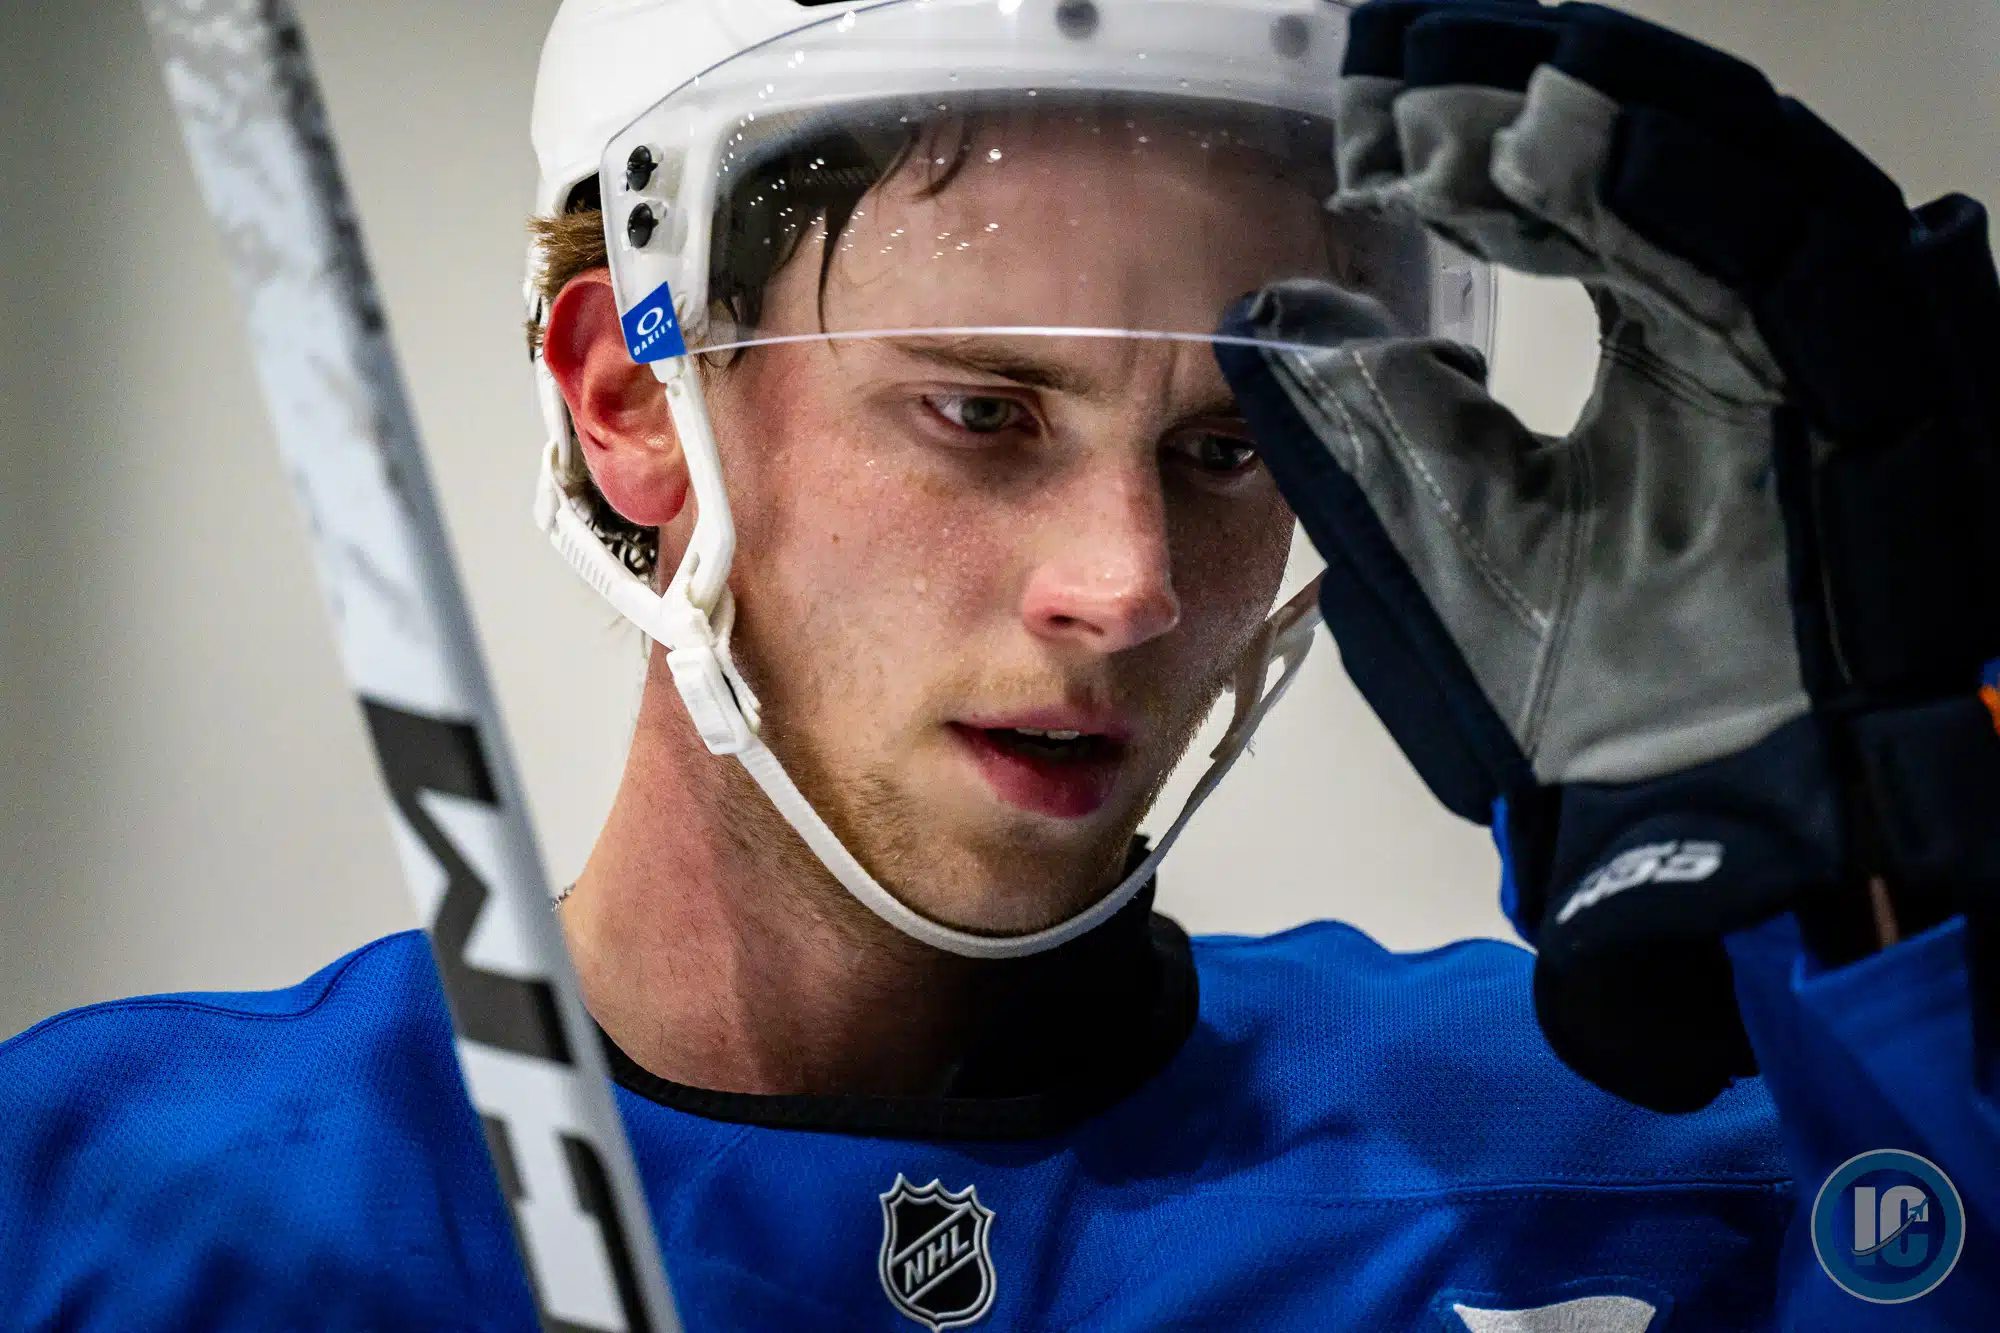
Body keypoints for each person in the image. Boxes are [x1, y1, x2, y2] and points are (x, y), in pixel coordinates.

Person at [1, 0, 1994, 1329]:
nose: (1130, 588)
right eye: (983, 414)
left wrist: (1893, 967)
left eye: (1227, 449)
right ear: (629, 398)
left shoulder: (1676, 1162)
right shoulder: (91, 1203)